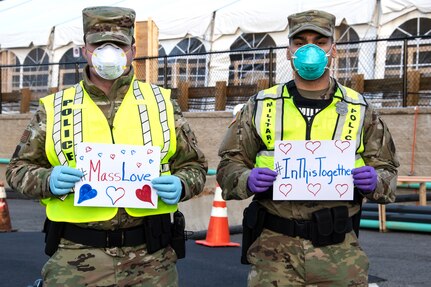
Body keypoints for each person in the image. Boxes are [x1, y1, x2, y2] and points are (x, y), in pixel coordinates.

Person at [6, 6, 207, 287]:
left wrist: (182, 184)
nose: (108, 52)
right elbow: (16, 170)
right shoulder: (54, 107)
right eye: (99, 44)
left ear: (132, 51)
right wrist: (46, 179)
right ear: (85, 50)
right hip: (76, 258)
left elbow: (195, 166)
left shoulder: (162, 103)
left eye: (119, 44)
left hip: (151, 259)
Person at [217, 9, 399, 286]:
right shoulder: (261, 105)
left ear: (333, 50)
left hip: (340, 254)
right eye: (300, 42)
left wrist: (376, 181)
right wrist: (246, 179)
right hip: (273, 251)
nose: (310, 50)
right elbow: (228, 166)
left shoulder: (360, 108)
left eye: (320, 41)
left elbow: (388, 174)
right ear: (288, 51)